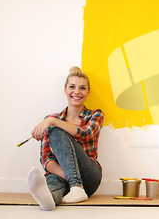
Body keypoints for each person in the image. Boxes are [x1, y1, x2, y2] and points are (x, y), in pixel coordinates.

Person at [26, 66, 104, 211]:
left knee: (56, 130)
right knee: (53, 187)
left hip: (89, 177)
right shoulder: (51, 119)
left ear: (88, 92)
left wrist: (52, 121)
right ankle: (48, 199)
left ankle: (77, 187)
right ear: (65, 89)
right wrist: (68, 175)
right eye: (72, 87)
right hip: (60, 174)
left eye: (82, 88)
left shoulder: (95, 115)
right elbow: (46, 158)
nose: (76, 92)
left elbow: (85, 133)